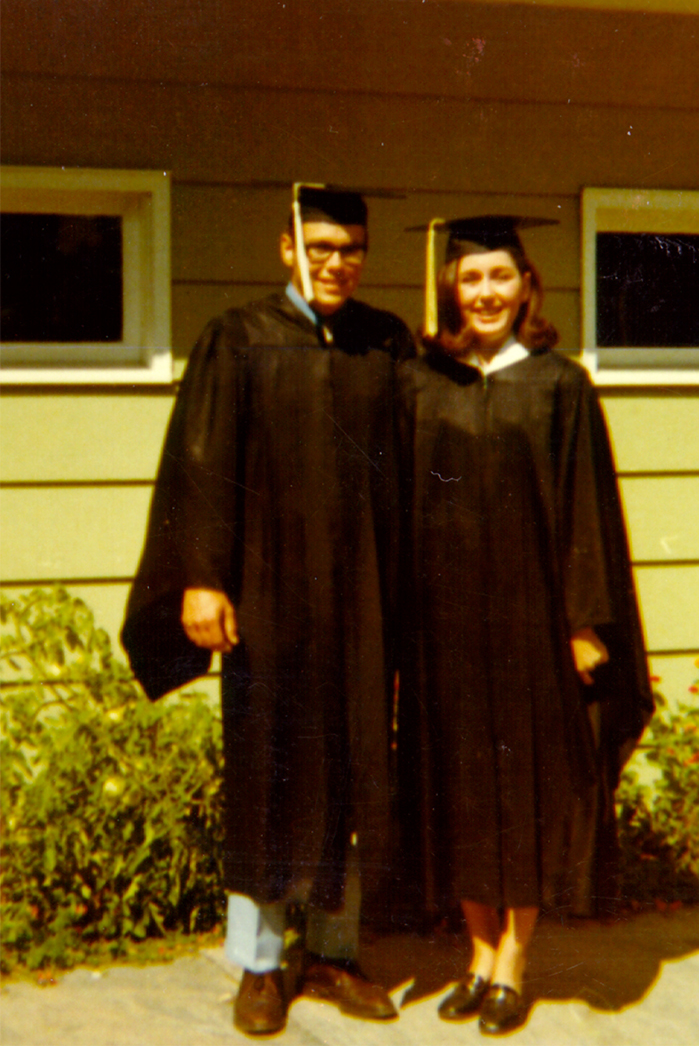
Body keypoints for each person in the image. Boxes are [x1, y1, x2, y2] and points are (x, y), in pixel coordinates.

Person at [122, 185, 415, 1037]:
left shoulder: (383, 341)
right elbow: (202, 465)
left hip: (361, 600)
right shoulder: (239, 338)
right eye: (320, 248)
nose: (336, 263)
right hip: (269, 600)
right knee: (269, 768)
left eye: (350, 248)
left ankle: (332, 952)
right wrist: (202, 580)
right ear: (287, 249)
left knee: (356, 765)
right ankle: (257, 962)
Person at [396, 216, 653, 1036]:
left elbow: (588, 509)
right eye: (471, 280)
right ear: (451, 289)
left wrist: (585, 625)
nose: (486, 294)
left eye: (500, 278)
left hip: (534, 633)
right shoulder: (424, 382)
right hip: (446, 633)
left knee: (530, 796)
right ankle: (477, 953)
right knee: (463, 794)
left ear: (526, 284)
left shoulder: (559, 384)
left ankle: (514, 962)